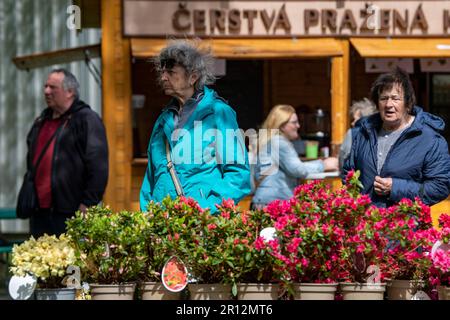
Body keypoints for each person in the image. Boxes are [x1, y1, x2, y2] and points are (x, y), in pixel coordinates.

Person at [139, 40, 251, 213]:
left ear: (193, 76)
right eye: (162, 72)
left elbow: (238, 174)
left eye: (171, 72)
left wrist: (205, 210)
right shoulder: (163, 120)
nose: (163, 77)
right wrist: (148, 216)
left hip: (203, 225)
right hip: (164, 227)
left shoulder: (219, 113)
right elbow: (151, 178)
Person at [343, 67, 450, 207]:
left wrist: (396, 188)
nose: (389, 104)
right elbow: (348, 173)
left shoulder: (430, 140)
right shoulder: (365, 133)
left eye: (395, 98)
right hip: (365, 225)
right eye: (383, 98)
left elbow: (440, 187)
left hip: (404, 226)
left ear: (408, 103)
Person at [21, 69, 109, 237]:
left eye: (53, 87)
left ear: (70, 92)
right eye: (45, 86)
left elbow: (99, 166)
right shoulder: (41, 121)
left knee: (70, 262)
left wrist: (88, 203)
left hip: (71, 213)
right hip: (39, 214)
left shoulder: (87, 120)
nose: (46, 91)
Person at [251, 104, 339, 208]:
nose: (298, 126)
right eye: (294, 122)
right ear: (282, 125)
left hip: (264, 201)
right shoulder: (279, 142)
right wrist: (323, 165)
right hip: (273, 203)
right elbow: (297, 169)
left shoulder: (269, 140)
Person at [338, 98, 377, 171]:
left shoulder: (352, 133)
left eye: (354, 119)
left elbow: (343, 158)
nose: (352, 123)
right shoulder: (381, 130)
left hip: (356, 179)